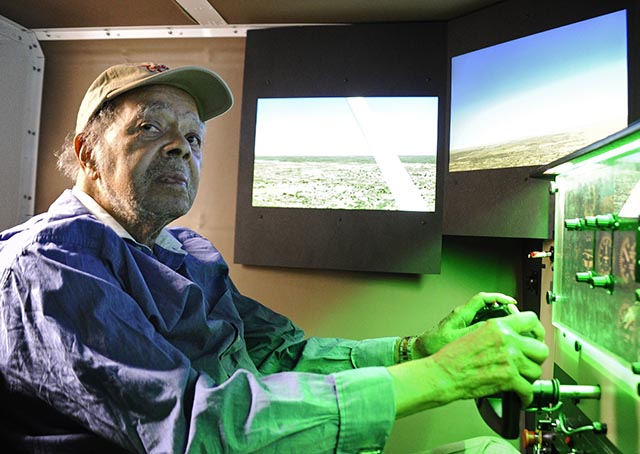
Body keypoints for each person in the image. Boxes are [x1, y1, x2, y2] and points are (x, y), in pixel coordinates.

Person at [0, 62, 548, 453]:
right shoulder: (48, 267)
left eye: (194, 137)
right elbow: (190, 430)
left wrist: (417, 348)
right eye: (149, 126)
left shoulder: (185, 253)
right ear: (86, 151)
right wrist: (440, 377)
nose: (180, 147)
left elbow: (280, 354)